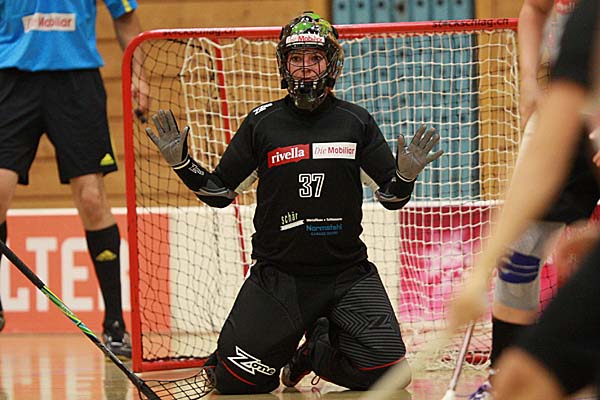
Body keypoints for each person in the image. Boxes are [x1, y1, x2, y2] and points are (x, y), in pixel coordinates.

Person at [146, 11, 443, 394]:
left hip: (347, 275)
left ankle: (313, 352)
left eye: (314, 58)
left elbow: (391, 198)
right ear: (283, 65)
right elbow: (219, 193)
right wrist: (183, 165)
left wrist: (405, 176)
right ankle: (269, 345)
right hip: (279, 277)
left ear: (331, 64)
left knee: (393, 377)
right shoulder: (261, 123)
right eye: (296, 58)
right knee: (237, 383)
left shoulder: (356, 122)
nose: (305, 68)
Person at [452, 0, 600, 398]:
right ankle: (499, 371)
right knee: (521, 382)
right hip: (579, 124)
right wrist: (480, 271)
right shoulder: (587, 22)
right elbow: (534, 9)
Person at [0, 0, 149, 358]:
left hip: (77, 82)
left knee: (92, 199)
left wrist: (140, 75)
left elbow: (126, 18)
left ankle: (115, 324)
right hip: (11, 78)